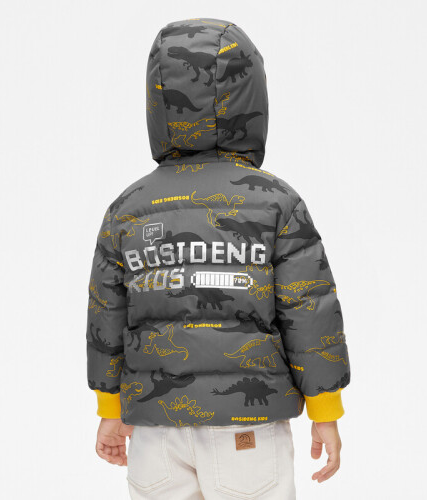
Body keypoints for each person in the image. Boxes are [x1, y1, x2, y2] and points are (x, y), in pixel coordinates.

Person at [86, 17, 351, 500]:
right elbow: (309, 310)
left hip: (155, 431)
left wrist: (109, 408)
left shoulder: (127, 209)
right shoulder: (277, 203)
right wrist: (325, 411)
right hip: (248, 431)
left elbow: (106, 315)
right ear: (251, 99)